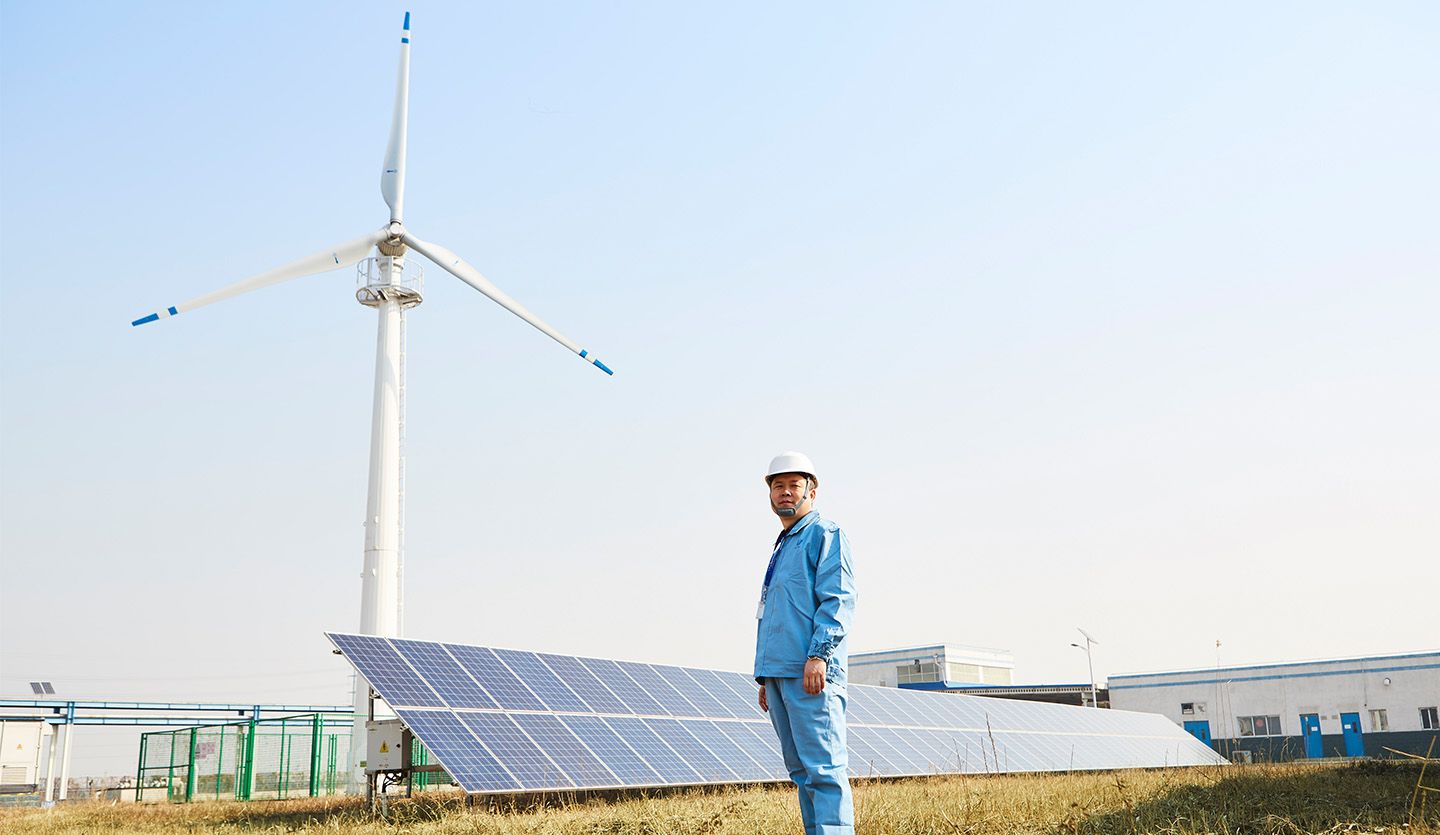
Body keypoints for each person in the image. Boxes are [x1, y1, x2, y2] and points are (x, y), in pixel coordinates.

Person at [754, 451, 856, 835]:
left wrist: (819, 655)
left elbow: (838, 598)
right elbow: (776, 613)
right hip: (780, 673)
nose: (784, 492)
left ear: (812, 492)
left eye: (794, 485)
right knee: (801, 771)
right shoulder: (783, 545)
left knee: (824, 769)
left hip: (811, 670)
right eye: (778, 486)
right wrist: (766, 676)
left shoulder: (824, 534)